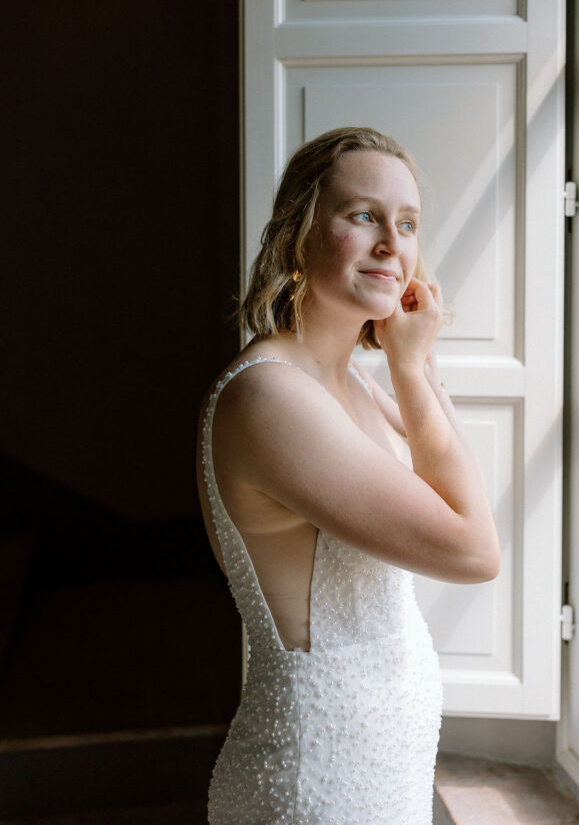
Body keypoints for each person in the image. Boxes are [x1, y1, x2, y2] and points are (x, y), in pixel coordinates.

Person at [196, 126, 500, 825]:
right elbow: (473, 548)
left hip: (381, 761)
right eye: (363, 216)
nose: (393, 245)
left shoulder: (348, 386)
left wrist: (411, 364)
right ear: (296, 236)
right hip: (318, 779)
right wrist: (408, 366)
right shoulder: (271, 397)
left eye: (409, 224)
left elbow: (456, 479)